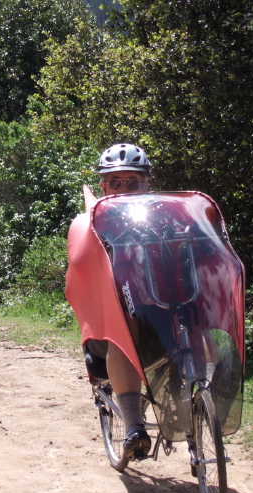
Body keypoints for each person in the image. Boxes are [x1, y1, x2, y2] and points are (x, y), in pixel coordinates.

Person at [89, 143, 153, 460]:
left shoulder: (164, 218)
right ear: (103, 187)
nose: (125, 189)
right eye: (116, 182)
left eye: (133, 181)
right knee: (124, 329)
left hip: (159, 316)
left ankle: (206, 402)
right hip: (114, 325)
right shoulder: (93, 224)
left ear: (146, 184)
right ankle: (133, 426)